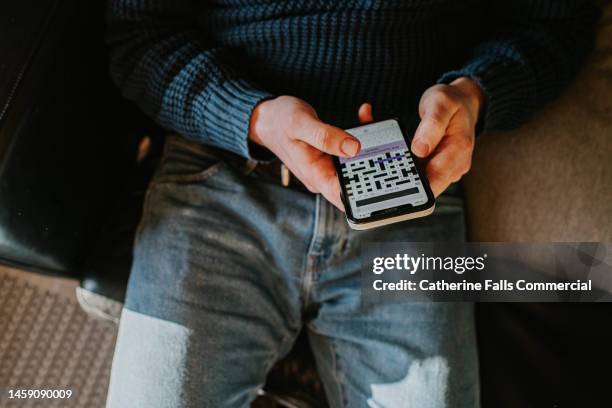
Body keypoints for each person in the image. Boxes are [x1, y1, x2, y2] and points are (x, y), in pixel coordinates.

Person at [104, 1, 598, 407]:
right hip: (227, 178)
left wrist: (474, 95)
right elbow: (138, 38)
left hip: (406, 195)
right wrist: (252, 118)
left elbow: (558, 24)